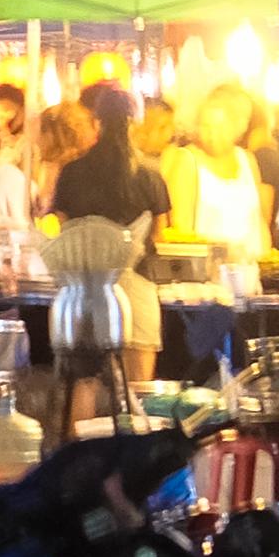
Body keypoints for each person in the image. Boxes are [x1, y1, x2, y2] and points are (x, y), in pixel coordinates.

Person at [40, 83, 169, 427]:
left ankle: (77, 463)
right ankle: (137, 467)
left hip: (83, 291)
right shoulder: (151, 173)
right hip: (137, 285)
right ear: (134, 123)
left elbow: (64, 226)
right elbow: (160, 232)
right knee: (139, 389)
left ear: (96, 123)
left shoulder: (71, 172)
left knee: (84, 381)